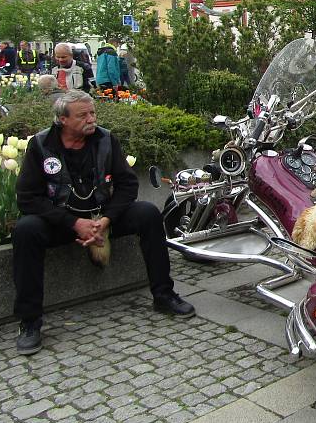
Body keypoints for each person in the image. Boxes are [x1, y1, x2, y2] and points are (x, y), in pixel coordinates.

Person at [13, 90, 195, 355]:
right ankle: (30, 321)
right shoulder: (41, 145)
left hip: (102, 218)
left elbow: (127, 185)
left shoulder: (106, 139)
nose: (91, 119)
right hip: (63, 223)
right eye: (83, 115)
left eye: (93, 113)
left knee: (148, 213)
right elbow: (28, 198)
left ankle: (164, 294)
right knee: (26, 230)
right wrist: (74, 222)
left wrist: (107, 219)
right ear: (62, 119)